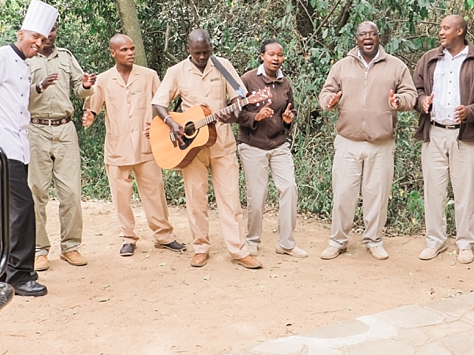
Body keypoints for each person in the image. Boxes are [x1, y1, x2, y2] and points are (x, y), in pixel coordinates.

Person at [152, 29, 262, 270]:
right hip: (190, 147)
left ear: (211, 47)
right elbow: (159, 103)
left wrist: (232, 113)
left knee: (231, 198)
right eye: (197, 53)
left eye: (206, 52)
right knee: (195, 199)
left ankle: (238, 250)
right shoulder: (176, 71)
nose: (202, 57)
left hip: (221, 142)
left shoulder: (223, 66)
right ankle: (201, 248)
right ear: (188, 50)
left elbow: (238, 99)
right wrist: (173, 124)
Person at [318, 21, 417, 261]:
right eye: (363, 34)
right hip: (348, 141)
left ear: (379, 37)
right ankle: (338, 241)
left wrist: (399, 102)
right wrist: (329, 101)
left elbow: (411, 95)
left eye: (372, 34)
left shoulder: (396, 66)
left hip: (380, 143)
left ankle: (374, 240)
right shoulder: (342, 66)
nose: (368, 38)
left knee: (377, 194)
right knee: (343, 193)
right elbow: (324, 94)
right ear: (356, 39)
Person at [82, 34, 186, 257]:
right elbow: (92, 107)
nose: (130, 53)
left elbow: (161, 105)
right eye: (124, 50)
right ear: (113, 53)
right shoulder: (103, 79)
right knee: (121, 196)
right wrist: (89, 116)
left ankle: (163, 236)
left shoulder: (149, 76)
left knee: (154, 191)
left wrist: (159, 124)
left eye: (132, 48)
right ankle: (128, 237)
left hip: (146, 144)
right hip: (117, 147)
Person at [0, 0, 57, 297]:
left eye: (43, 39)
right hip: (1, 146)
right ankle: (20, 274)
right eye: (34, 37)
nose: (38, 43)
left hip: (17, 146)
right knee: (22, 206)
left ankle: (1, 269)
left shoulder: (23, 66)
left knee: (6, 208)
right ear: (20, 34)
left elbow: (15, 103)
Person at [412, 15, 474, 263]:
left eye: (446, 28)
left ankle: (465, 243)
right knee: (433, 189)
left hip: (465, 136)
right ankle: (435, 241)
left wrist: (469, 111)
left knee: (465, 191)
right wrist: (421, 101)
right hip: (434, 132)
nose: (441, 32)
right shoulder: (429, 59)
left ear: (460, 31)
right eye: (440, 28)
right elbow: (415, 89)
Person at [27, 24, 96, 271]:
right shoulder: (26, 59)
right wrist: (40, 86)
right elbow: (17, 94)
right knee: (36, 192)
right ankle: (38, 250)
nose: (49, 35)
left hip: (65, 129)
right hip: (36, 129)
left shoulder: (65, 56)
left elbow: (80, 90)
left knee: (71, 192)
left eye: (53, 30)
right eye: (44, 31)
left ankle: (70, 247)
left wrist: (86, 85)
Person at [237, 39, 307, 258]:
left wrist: (288, 119)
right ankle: (252, 240)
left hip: (279, 144)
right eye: (272, 54)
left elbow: (290, 110)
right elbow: (235, 113)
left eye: (280, 55)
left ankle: (286, 243)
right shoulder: (247, 79)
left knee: (289, 188)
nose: (277, 58)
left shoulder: (285, 82)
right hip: (252, 145)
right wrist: (255, 117)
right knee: (257, 195)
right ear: (262, 56)